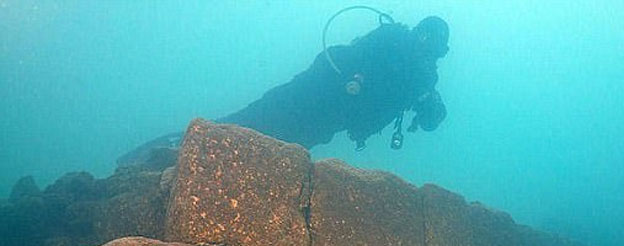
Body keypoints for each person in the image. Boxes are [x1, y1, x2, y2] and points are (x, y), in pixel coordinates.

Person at [117, 14, 449, 167]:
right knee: (251, 124)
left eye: (435, 53)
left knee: (266, 144)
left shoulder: (419, 75)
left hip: (328, 117)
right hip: (316, 94)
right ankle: (165, 151)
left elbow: (427, 117)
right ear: (421, 37)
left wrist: (428, 102)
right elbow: (379, 77)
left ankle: (180, 155)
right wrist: (418, 89)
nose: (431, 57)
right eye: (430, 47)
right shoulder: (396, 42)